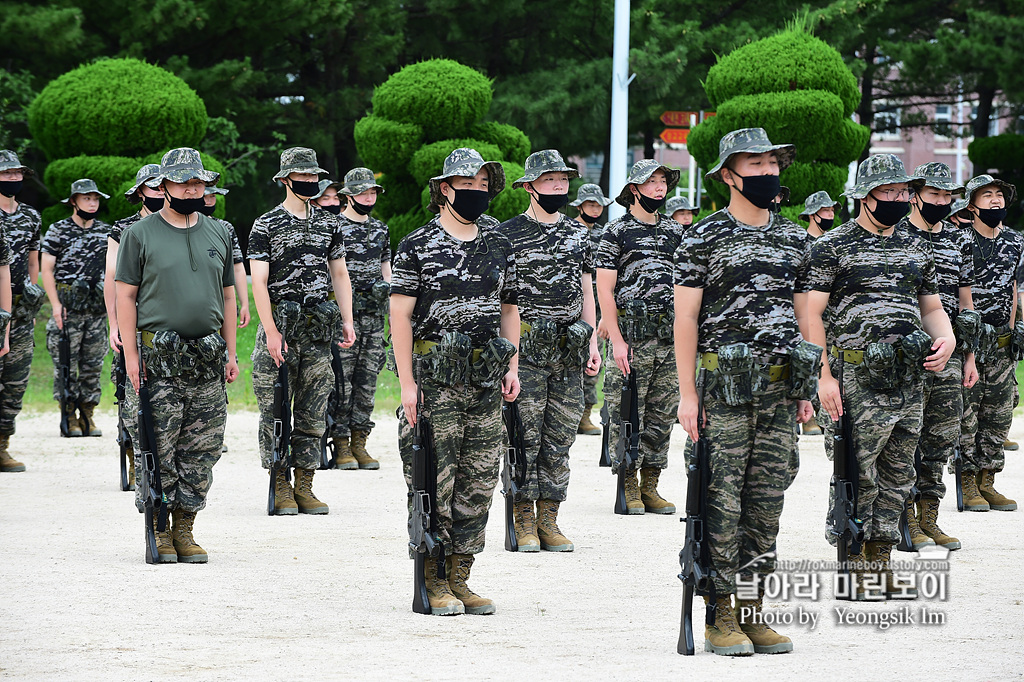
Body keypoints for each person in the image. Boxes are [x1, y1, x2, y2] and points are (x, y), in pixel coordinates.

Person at [675, 127, 811, 656]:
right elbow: (685, 317)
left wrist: (805, 385)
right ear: (728, 174)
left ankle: (754, 608)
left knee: (765, 504)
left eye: (772, 163)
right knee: (720, 502)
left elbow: (803, 318)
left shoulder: (797, 238)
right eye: (754, 165)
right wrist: (688, 394)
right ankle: (720, 613)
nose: (767, 173)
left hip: (778, 394)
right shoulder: (702, 237)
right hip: (723, 394)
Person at [808, 154, 955, 600]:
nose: (897, 199)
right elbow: (810, 314)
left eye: (901, 191)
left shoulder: (917, 247)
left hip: (910, 377)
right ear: (865, 197)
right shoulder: (832, 246)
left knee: (898, 472)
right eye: (887, 192)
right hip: (855, 377)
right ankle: (853, 559)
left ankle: (881, 558)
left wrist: (946, 338)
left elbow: (931, 306)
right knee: (859, 471)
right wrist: (823, 377)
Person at [391, 147, 520, 615]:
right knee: (434, 482)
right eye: (467, 186)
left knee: (479, 479)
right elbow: (400, 318)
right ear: (445, 189)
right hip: (434, 383)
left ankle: (461, 576)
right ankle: (432, 578)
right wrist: (407, 384)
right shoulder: (416, 245)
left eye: (483, 186)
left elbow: (509, 308)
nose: (477, 193)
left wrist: (513, 366)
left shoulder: (499, 242)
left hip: (485, 382)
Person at [115, 148, 240, 563]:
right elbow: (126, 295)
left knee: (202, 448)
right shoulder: (140, 234)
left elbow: (226, 295)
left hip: (206, 359)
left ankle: (186, 528)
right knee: (159, 448)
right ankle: (159, 527)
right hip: (157, 362)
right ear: (164, 186)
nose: (192, 188)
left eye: (198, 182)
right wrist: (131, 356)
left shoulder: (219, 231)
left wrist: (231, 354)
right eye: (183, 182)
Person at [497, 150, 599, 553]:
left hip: (568, 350)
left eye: (563, 180)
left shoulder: (579, 234)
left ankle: (549, 519)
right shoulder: (507, 235)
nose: (558, 186)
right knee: (525, 437)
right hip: (527, 351)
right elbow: (503, 303)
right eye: (550, 180)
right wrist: (509, 359)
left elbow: (587, 290)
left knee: (560, 437)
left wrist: (591, 340)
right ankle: (522, 520)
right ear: (529, 186)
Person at [249, 147, 356, 516]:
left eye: (314, 177)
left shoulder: (330, 222)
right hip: (281, 330)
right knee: (276, 411)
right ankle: (279, 483)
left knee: (313, 410)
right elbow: (259, 283)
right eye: (303, 177)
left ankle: (305, 484)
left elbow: (339, 273)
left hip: (317, 334)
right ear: (284, 179)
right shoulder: (266, 224)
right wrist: (271, 330)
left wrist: (347, 319)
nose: (309, 182)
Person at [596, 159, 682, 515]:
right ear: (635, 189)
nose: (660, 187)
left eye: (663, 181)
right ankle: (627, 482)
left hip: (669, 338)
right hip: (631, 336)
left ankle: (651, 484)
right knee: (627, 412)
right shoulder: (616, 233)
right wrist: (616, 340)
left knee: (663, 414)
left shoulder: (677, 233)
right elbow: (605, 289)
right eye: (652, 182)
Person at [900, 162, 975, 548]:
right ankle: (906, 520)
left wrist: (970, 357)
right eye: (935, 195)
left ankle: (930, 517)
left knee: (939, 439)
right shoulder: (897, 236)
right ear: (915, 195)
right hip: (908, 357)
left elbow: (965, 305)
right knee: (903, 442)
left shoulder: (958, 241)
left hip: (948, 354)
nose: (943, 202)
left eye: (948, 196)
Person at [958, 174, 1022, 512]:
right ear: (972, 206)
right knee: (968, 414)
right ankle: (967, 481)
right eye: (987, 196)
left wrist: (1014, 330)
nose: (995, 201)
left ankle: (988, 480)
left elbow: (1014, 288)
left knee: (998, 415)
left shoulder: (1015, 241)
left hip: (1001, 342)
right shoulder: (960, 241)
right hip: (969, 341)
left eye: (999, 195)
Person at [324, 168, 391, 470]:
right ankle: (340, 444)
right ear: (347, 196)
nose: (368, 197)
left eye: (373, 192)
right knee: (343, 382)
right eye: (363, 192)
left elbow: (385, 269)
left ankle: (360, 441)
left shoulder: (381, 229)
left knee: (368, 381)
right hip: (345, 316)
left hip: (375, 316)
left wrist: (392, 313)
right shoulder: (334, 227)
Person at [106, 163, 163, 484]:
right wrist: (114, 324)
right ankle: (134, 445)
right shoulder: (123, 229)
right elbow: (111, 279)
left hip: (164, 324)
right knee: (130, 392)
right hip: (132, 322)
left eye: (161, 186)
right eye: (152, 188)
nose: (158, 192)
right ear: (140, 192)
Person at [42, 179, 111, 437]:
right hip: (68, 311)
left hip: (96, 312)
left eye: (95, 199)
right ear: (74, 201)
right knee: (66, 366)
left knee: (93, 366)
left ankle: (88, 416)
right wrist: (55, 305)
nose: (92, 203)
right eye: (86, 199)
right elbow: (46, 270)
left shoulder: (107, 231)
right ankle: (68, 415)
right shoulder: (58, 230)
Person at [796, 190, 842, 437]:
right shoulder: (801, 243)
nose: (830, 214)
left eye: (832, 210)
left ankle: (822, 412)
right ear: (813, 215)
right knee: (807, 360)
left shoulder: (836, 242)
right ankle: (808, 414)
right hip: (807, 313)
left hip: (831, 315)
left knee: (827, 364)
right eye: (826, 211)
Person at [570, 183, 613, 436]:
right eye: (590, 204)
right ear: (580, 206)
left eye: (599, 205)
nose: (595, 209)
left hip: (597, 306)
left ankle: (585, 415)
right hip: (572, 304)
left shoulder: (604, 235)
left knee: (593, 360)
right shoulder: (569, 231)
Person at [0, 151, 33, 472]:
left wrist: (34, 295)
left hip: (21, 310)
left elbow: (33, 259)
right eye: (6, 174)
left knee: (15, 382)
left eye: (16, 174)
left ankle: (2, 444)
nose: (12, 179)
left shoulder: (32, 217)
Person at [201, 186, 250, 329]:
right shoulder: (181, 229)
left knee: (227, 349)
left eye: (212, 197)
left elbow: (237, 267)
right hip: (193, 307)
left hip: (222, 305)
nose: (209, 201)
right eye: (205, 197)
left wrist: (244, 304)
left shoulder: (225, 228)